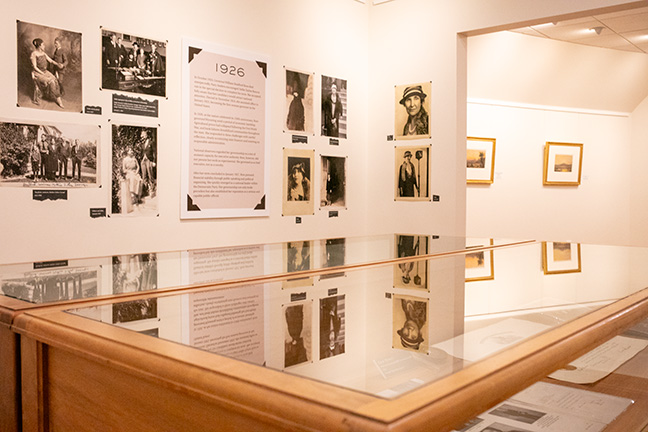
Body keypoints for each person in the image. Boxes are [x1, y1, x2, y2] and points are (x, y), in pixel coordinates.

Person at [30, 38, 64, 108]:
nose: (44, 46)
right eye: (43, 45)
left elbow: (51, 61)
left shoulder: (43, 53)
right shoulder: (34, 54)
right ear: (39, 46)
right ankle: (58, 101)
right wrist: (42, 74)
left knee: (54, 79)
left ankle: (58, 100)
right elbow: (35, 67)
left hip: (45, 72)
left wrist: (58, 64)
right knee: (51, 81)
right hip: (37, 73)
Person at [140, 129, 156, 198]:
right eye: (141, 135)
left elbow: (154, 152)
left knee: (150, 176)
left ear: (146, 135)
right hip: (143, 160)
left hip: (149, 160)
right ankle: (145, 191)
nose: (142, 136)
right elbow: (142, 152)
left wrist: (154, 161)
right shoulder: (142, 144)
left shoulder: (151, 142)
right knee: (144, 176)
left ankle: (152, 191)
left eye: (143, 135)